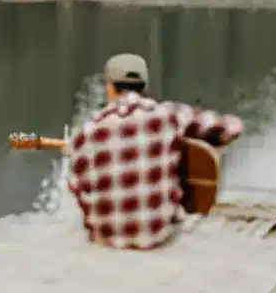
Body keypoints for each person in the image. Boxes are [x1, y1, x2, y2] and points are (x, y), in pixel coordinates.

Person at [62, 53, 245, 250]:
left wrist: (73, 151)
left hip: (108, 240)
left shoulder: (86, 133)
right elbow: (233, 129)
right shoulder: (171, 114)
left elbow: (79, 190)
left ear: (110, 87)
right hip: (158, 234)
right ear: (145, 87)